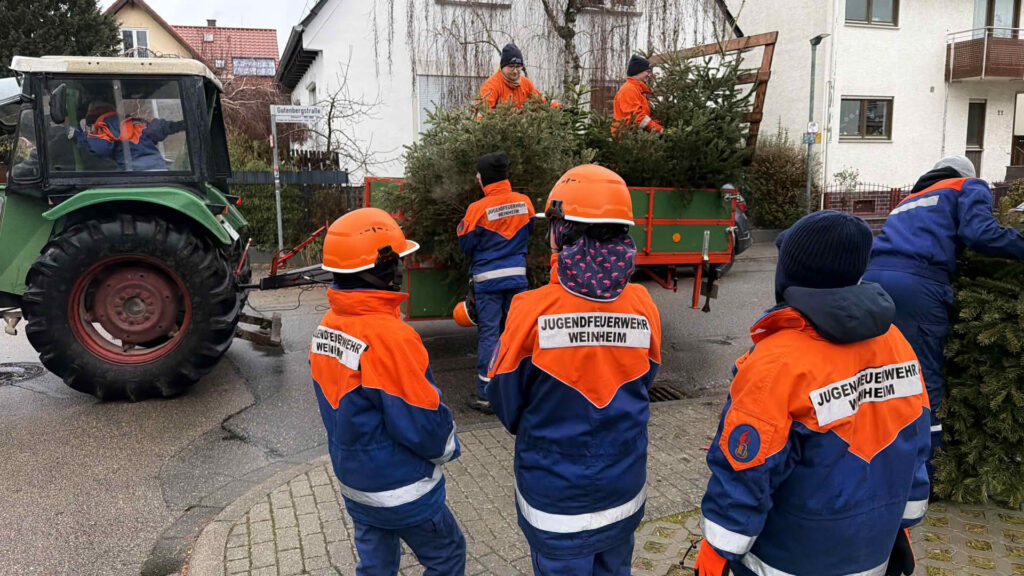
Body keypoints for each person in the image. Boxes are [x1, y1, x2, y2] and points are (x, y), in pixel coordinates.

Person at [694, 211, 930, 576]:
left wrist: (719, 549)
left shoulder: (778, 360)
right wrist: (903, 520)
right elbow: (915, 440)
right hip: (874, 552)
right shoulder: (896, 343)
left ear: (792, 273)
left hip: (789, 557)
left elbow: (746, 470)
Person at [486, 164, 661, 575]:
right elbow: (645, 380)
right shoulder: (643, 306)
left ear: (562, 232)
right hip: (623, 493)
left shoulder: (530, 310)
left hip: (555, 502)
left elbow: (506, 402)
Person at [311, 207, 466, 576]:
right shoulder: (391, 336)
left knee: (376, 567)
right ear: (381, 269)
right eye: (396, 261)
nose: (400, 270)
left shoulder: (326, 328)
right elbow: (420, 421)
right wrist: (447, 448)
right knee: (448, 555)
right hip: (403, 488)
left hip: (356, 483)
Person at [863, 155, 1024, 479]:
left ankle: (871, 454)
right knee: (923, 379)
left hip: (873, 280)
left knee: (880, 370)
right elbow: (980, 233)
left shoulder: (909, 200)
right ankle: (922, 475)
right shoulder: (967, 184)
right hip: (917, 284)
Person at [457, 151, 535, 413]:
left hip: (488, 281)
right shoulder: (525, 203)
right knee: (517, 332)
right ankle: (519, 390)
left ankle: (487, 395)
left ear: (486, 178)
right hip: (517, 277)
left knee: (490, 334)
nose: (477, 177)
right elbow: (530, 230)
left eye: (478, 174)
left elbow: (466, 244)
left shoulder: (477, 209)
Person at [68, 102, 185, 171]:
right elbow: (160, 128)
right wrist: (181, 125)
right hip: (158, 169)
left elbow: (100, 149)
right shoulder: (135, 122)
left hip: (133, 172)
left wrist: (82, 137)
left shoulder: (103, 125)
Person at [477, 43, 543, 112]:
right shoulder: (491, 86)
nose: (515, 71)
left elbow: (541, 104)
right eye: (511, 66)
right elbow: (482, 114)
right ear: (502, 66)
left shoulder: (526, 83)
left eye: (518, 67)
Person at [612, 55, 663, 134]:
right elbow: (636, 117)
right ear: (638, 71)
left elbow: (643, 114)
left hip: (636, 136)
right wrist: (658, 129)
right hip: (627, 138)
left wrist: (655, 122)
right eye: (647, 71)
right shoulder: (629, 90)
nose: (649, 75)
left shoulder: (638, 89)